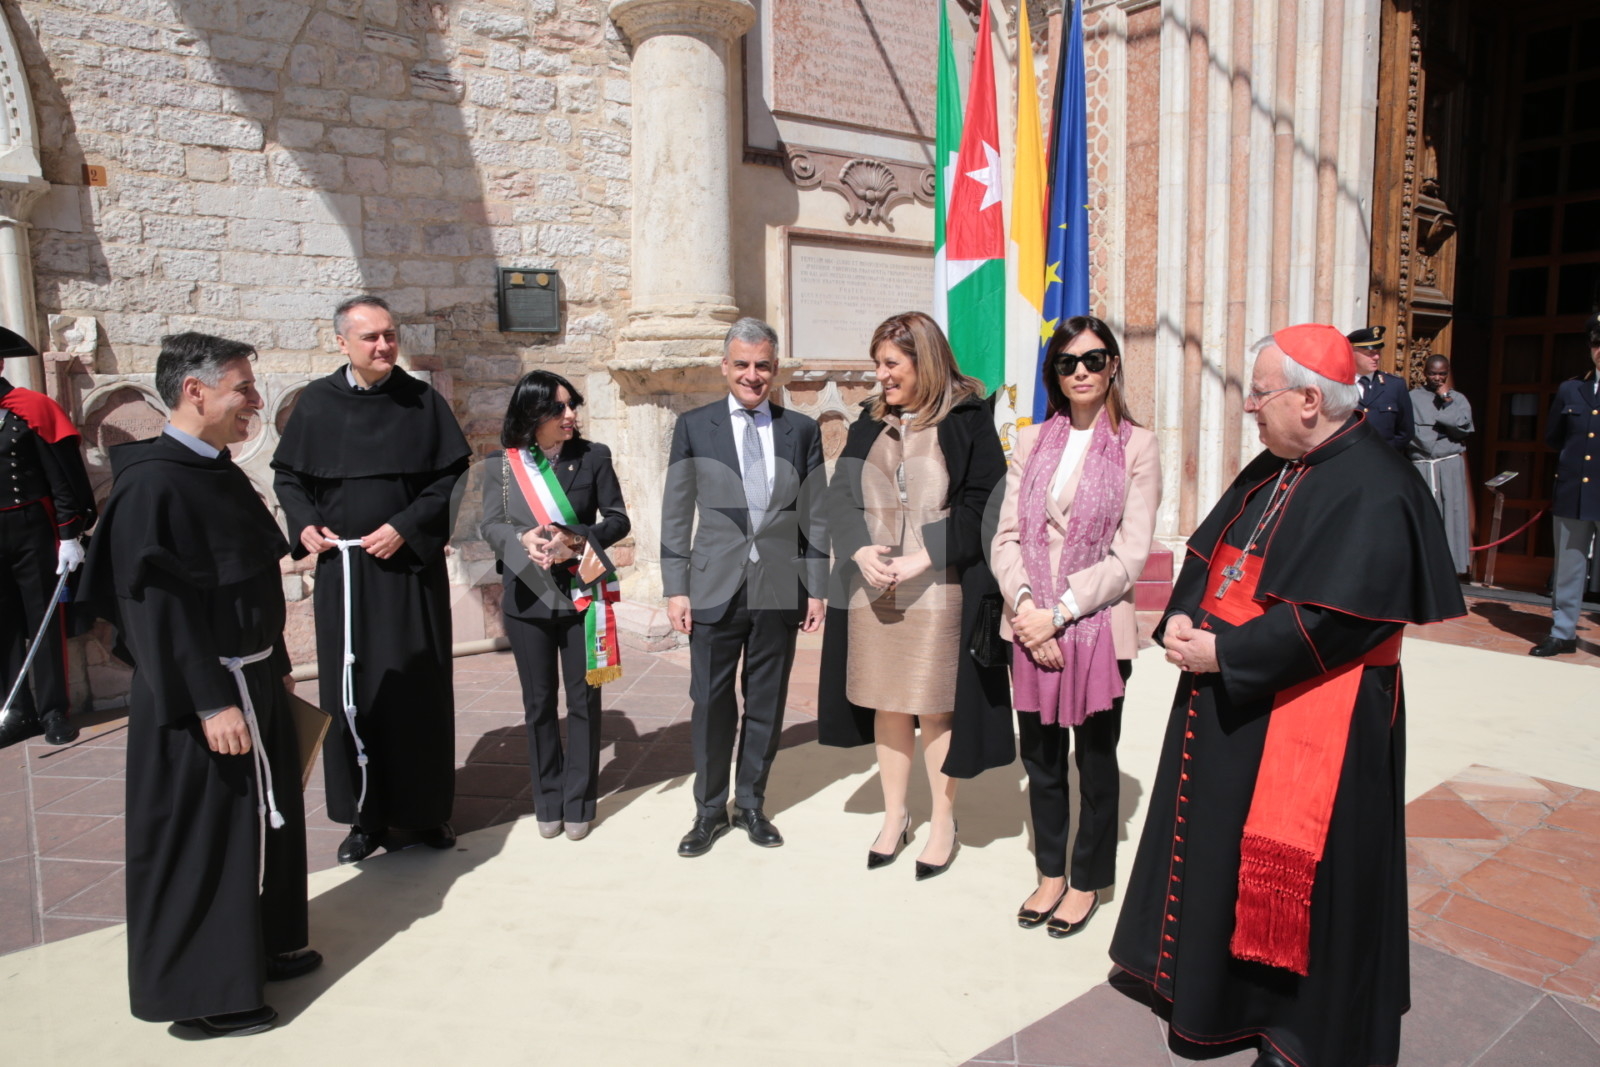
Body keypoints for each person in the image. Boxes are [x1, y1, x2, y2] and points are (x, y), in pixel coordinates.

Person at [1108, 324, 1463, 1067]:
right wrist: (1185, 614)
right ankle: (1216, 998)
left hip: (1318, 709)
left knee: (1312, 881)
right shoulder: (1277, 463)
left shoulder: (1379, 485)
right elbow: (1213, 553)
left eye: (1260, 394)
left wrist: (1227, 653)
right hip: (1230, 695)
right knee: (1219, 850)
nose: (1249, 408)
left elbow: (1342, 620)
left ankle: (1295, 1030)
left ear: (1308, 400)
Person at [77, 332, 318, 1038]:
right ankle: (203, 995)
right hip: (199, 696)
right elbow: (157, 613)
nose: (255, 402)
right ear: (195, 390)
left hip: (252, 676)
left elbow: (245, 579)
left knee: (259, 821)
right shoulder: (153, 483)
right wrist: (211, 701)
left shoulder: (216, 470)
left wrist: (274, 666)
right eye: (243, 388)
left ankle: (260, 948)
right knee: (201, 840)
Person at [272, 295, 471, 863]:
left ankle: (427, 812)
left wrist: (406, 527)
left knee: (417, 689)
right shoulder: (317, 403)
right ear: (342, 343)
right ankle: (364, 816)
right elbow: (288, 477)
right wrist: (304, 524)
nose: (384, 346)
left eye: (389, 335)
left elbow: (451, 478)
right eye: (370, 337)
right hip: (345, 573)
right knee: (351, 693)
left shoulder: (422, 401)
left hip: (408, 574)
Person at [817, 311, 1012, 880]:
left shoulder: (969, 418)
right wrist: (858, 551)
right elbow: (839, 497)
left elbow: (985, 504)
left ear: (923, 362)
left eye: (891, 364)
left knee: (935, 705)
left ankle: (943, 822)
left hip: (939, 587)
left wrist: (925, 555)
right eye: (878, 364)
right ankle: (895, 816)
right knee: (887, 701)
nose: (880, 375)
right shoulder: (869, 420)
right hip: (874, 586)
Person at [990, 316, 1161, 933]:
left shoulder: (1138, 445)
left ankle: (1086, 880)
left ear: (1113, 364)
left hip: (1095, 626)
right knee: (1040, 760)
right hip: (1028, 621)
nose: (1081, 371)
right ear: (1054, 375)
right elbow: (1006, 536)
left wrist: (1060, 612)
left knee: (1095, 761)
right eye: (1068, 362)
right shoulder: (1031, 441)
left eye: (1093, 359)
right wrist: (1028, 607)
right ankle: (1049, 875)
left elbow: (1130, 555)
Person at [660, 317, 827, 857]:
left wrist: (817, 586)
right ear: (724, 366)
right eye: (742, 365)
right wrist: (675, 586)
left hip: (779, 586)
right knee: (711, 702)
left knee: (766, 700)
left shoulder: (801, 430)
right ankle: (709, 810)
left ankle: (751, 803)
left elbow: (815, 514)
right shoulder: (694, 426)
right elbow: (676, 511)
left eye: (762, 365)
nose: (752, 375)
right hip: (713, 585)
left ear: (775, 369)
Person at [480, 371, 629, 841]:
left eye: (572, 405)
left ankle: (579, 801)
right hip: (527, 599)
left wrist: (575, 540)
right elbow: (491, 525)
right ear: (533, 413)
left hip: (581, 594)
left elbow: (618, 519)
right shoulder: (502, 465)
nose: (570, 415)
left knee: (584, 700)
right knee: (539, 703)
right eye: (559, 407)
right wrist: (521, 539)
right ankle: (548, 799)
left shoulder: (593, 456)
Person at [0, 326, 96, 748]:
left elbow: (61, 476)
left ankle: (54, 710)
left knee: (44, 621)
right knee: (2, 626)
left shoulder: (30, 408)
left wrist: (69, 533)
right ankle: (15, 712)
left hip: (33, 531)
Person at [1531, 316, 1600, 657]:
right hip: (1575, 492)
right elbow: (1553, 437)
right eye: (1597, 343)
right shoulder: (1571, 389)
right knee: (1568, 569)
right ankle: (1563, 633)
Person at [1408, 354, 1474, 575]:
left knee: (1452, 513)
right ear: (1424, 373)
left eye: (1442, 374)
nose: (1437, 378)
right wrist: (1438, 436)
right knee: (1423, 515)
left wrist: (1446, 401)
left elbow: (1462, 428)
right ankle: (1422, 567)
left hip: (1449, 466)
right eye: (1433, 373)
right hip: (1423, 464)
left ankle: (1451, 568)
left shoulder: (1458, 399)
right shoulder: (1412, 398)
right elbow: (1412, 434)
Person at [1348, 325, 1413, 451]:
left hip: (1384, 457)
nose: (1376, 357)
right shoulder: (1339, 384)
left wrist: (1387, 453)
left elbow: (1405, 432)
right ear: (1352, 352)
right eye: (1370, 353)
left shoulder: (1395, 385)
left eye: (1378, 352)